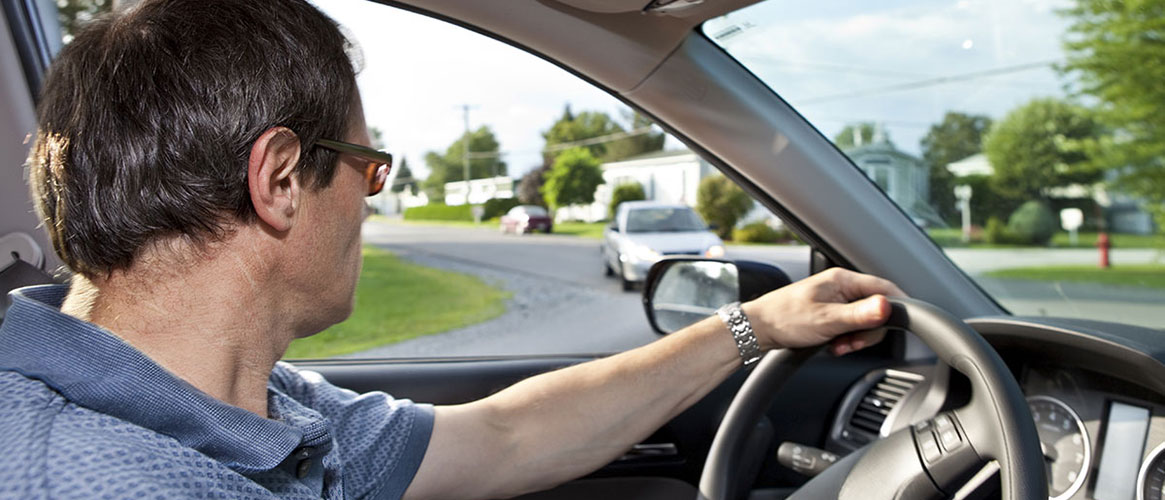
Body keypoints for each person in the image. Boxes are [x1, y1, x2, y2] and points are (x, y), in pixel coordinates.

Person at [0, 0, 905, 498]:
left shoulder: (260, 405)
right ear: (279, 180)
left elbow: (506, 436)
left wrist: (755, 325)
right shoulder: (71, 475)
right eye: (369, 167)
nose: (368, 204)